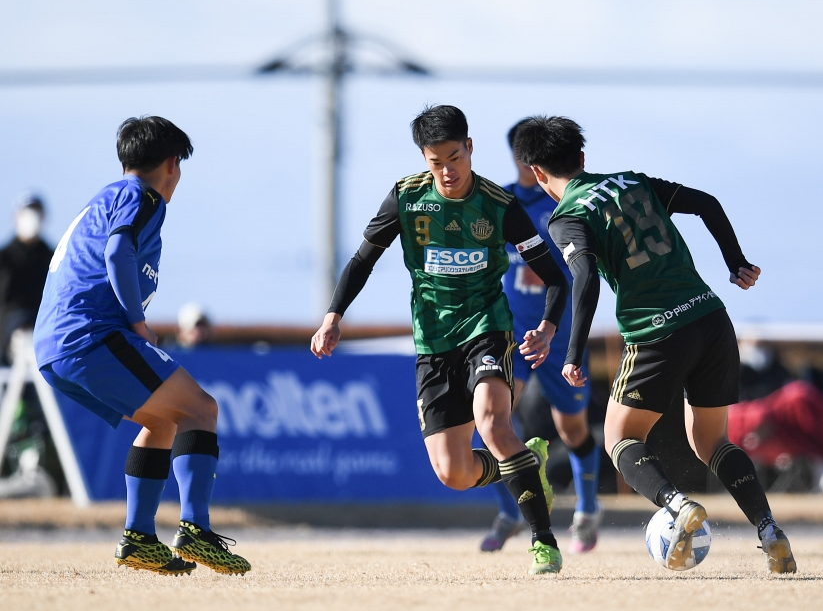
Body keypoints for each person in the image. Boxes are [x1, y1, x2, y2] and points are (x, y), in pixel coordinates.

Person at [514, 115, 797, 574]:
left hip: (657, 330)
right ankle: (768, 530)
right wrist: (736, 261)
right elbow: (707, 202)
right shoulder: (634, 182)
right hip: (711, 317)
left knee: (619, 438)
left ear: (537, 173)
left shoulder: (567, 216)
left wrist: (572, 351)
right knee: (711, 441)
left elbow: (583, 276)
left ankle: (678, 506)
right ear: (582, 159)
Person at [311, 105, 570, 575]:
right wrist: (333, 315)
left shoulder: (500, 205)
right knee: (454, 474)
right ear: (423, 159)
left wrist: (549, 326)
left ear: (470, 148)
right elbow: (362, 260)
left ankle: (543, 540)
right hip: (432, 343)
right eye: (436, 162)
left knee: (493, 425)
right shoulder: (406, 198)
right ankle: (526, 461)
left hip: (486, 330)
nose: (447, 172)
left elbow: (555, 276)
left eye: (455, 157)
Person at [33, 116, 250, 576]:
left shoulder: (105, 197)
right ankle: (195, 528)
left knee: (163, 420)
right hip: (91, 334)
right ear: (172, 164)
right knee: (201, 409)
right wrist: (138, 321)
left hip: (55, 346)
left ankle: (138, 539)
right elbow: (117, 252)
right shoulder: (142, 196)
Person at [480, 119, 601, 554]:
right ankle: (511, 512)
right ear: (519, 158)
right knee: (492, 420)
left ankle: (587, 511)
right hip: (510, 332)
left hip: (561, 332)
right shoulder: (497, 202)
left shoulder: (569, 200)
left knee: (572, 429)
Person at [0, 194, 54, 364]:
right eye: (27, 213)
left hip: (45, 333)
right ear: (16, 217)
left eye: (36, 212)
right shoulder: (4, 258)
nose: (32, 218)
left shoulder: (53, 258)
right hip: (8, 340)